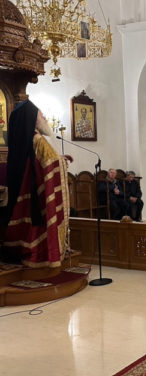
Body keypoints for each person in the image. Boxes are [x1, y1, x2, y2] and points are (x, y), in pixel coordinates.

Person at [3, 100, 71, 268]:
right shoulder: (38, 139)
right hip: (35, 192)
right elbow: (50, 162)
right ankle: (43, 253)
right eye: (41, 114)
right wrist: (62, 162)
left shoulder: (22, 139)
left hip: (23, 189)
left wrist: (60, 159)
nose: (45, 118)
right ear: (33, 118)